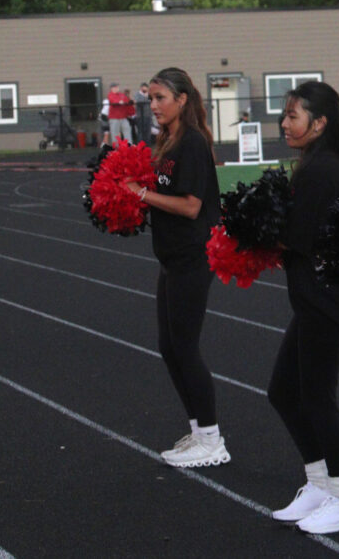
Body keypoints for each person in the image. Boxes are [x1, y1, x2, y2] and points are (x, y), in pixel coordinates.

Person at [267, 81, 339, 535]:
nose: (285, 123)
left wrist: (254, 229)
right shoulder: (316, 164)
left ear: (320, 122)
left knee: (315, 397)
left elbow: (299, 237)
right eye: (285, 116)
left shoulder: (322, 170)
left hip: (327, 300)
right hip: (315, 299)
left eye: (293, 115)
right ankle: (319, 482)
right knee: (284, 391)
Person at [123, 67, 229, 468]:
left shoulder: (194, 144)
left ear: (182, 99)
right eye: (150, 99)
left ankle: (213, 440)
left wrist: (143, 194)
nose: (153, 106)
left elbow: (191, 206)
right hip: (170, 257)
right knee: (169, 347)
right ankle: (200, 432)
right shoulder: (167, 140)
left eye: (160, 98)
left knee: (185, 347)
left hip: (192, 256)